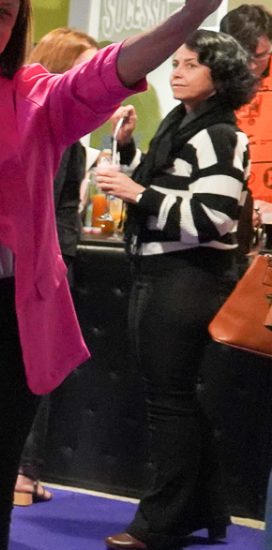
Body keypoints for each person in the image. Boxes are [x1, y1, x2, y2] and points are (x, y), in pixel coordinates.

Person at [0, 0, 221, 543]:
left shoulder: (36, 99)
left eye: (4, 11)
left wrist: (190, 15)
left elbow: (111, 71)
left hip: (1, 324)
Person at [92, 28, 253, 550]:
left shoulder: (220, 134)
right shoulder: (185, 123)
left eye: (190, 64)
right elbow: (167, 189)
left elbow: (212, 218)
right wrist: (126, 149)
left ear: (220, 76)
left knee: (169, 401)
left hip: (187, 276)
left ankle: (161, 522)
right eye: (177, 62)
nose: (176, 72)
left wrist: (136, 191)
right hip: (166, 273)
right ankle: (202, 511)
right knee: (173, 398)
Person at [11, 25, 102, 509]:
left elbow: (62, 208)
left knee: (37, 368)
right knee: (30, 367)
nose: (93, 77)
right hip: (30, 264)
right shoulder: (44, 121)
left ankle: (23, 472)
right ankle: (22, 474)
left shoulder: (66, 132)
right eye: (85, 66)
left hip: (47, 262)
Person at [224, 5, 272, 224]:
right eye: (243, 57)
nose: (251, 65)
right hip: (227, 213)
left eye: (259, 56)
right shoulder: (213, 80)